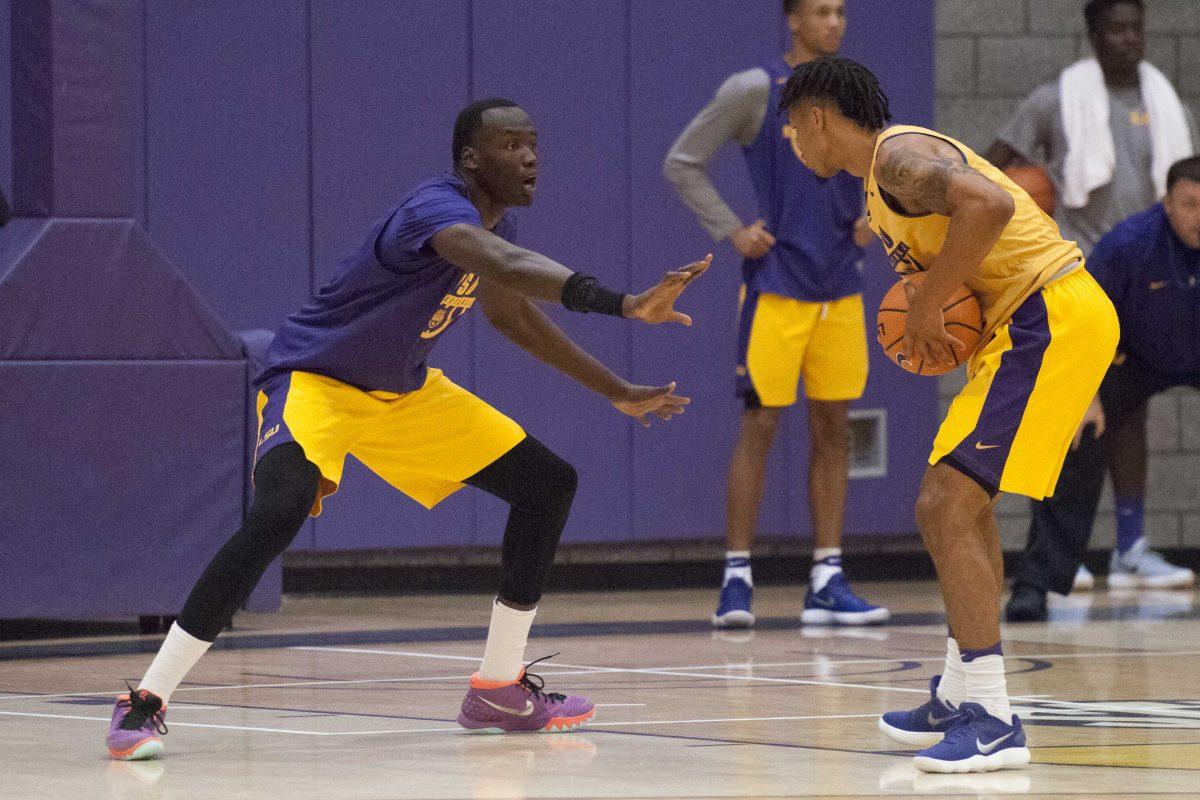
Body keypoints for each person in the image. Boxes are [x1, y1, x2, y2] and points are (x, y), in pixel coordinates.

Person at [105, 99, 710, 760]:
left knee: (547, 484)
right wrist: (621, 303)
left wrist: (617, 391)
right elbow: (501, 265)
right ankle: (145, 701)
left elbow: (515, 318)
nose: (530, 156)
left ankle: (498, 690)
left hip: (402, 392)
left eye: (533, 143)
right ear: (471, 158)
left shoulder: (490, 227)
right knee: (278, 510)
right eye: (511, 145)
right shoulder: (436, 211)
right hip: (317, 381)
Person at [779, 56, 1118, 772]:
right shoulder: (880, 182)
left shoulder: (900, 158)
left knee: (942, 505)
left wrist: (929, 299)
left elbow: (989, 208)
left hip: (1046, 314)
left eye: (790, 130)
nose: (791, 144)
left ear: (816, 117)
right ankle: (964, 687)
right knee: (960, 507)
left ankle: (992, 718)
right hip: (1023, 327)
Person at [663, 0, 887, 629]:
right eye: (822, 11)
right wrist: (731, 229)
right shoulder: (756, 88)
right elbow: (682, 161)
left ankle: (828, 578)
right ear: (793, 20)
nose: (836, 23)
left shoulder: (857, 90)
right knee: (760, 429)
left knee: (835, 430)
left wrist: (880, 215)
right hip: (778, 284)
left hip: (841, 284)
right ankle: (737, 578)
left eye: (841, 11)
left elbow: (884, 161)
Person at [986, 0, 1197, 606]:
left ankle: (1130, 547)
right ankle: (1048, 569)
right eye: (1117, 28)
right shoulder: (1056, 99)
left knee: (1127, 418)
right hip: (1088, 279)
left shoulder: (1168, 103)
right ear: (1094, 35)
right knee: (1079, 414)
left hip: (1167, 285)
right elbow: (990, 163)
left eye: (1137, 27)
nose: (1130, 38)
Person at [1007, 157, 1200, 621]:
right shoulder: (1127, 246)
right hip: (1124, 355)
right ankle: (1036, 581)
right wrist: (1086, 396)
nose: (1199, 216)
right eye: (1190, 205)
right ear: (1167, 205)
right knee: (1078, 429)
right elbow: (1078, 323)